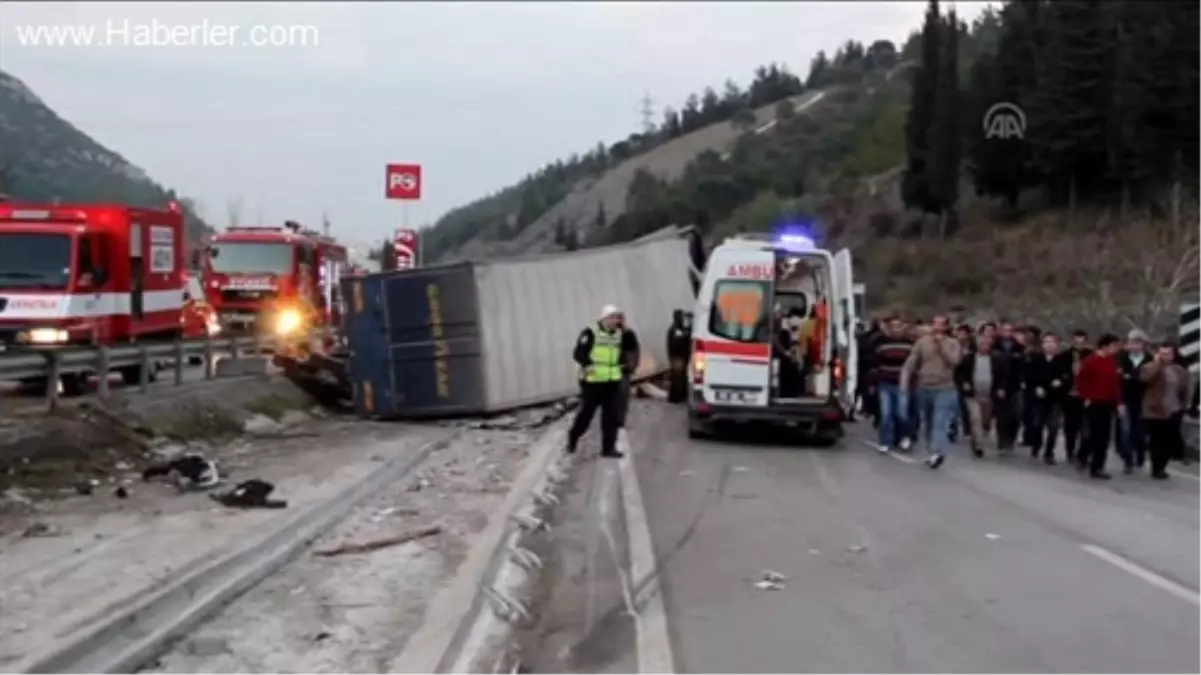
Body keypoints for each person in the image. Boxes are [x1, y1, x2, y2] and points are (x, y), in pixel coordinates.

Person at [900, 315, 962, 469]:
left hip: (945, 387)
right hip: (925, 387)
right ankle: (931, 451)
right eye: (935, 324)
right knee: (928, 421)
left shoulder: (953, 344)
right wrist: (905, 380)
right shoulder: (922, 343)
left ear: (946, 327)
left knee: (940, 422)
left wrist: (941, 346)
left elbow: (954, 361)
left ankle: (937, 452)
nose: (937, 327)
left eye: (941, 324)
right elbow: (911, 362)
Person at [566, 305, 626, 458]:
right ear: (604, 319)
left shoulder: (618, 334)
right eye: (612, 318)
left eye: (617, 317)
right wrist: (589, 365)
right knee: (586, 415)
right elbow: (578, 353)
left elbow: (621, 353)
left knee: (611, 417)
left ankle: (608, 448)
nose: (615, 321)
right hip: (592, 383)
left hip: (611, 382)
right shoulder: (591, 332)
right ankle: (573, 437)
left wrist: (624, 366)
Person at [1075, 333, 1124, 480]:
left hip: (1108, 402)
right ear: (1105, 346)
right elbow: (1080, 381)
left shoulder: (1112, 361)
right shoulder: (1091, 361)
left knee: (1104, 436)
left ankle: (1092, 462)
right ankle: (1094, 465)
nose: (1116, 349)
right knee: (1097, 434)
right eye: (1114, 346)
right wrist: (1086, 397)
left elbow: (1115, 384)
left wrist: (1119, 402)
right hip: (1093, 401)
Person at [1139, 343, 1190, 480]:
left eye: (1168, 353)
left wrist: (1185, 405)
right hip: (1155, 409)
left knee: (1169, 439)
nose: (1165, 356)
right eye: (1162, 353)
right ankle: (1156, 468)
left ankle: (1162, 465)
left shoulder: (1178, 369)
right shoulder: (1150, 367)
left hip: (1174, 409)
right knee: (1157, 439)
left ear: (1173, 355)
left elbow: (1184, 388)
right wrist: (1157, 364)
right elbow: (1145, 379)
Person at [1023, 332, 1073, 464]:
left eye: (1053, 342)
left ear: (1057, 345)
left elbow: (1068, 378)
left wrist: (1061, 381)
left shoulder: (1063, 360)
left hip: (1056, 399)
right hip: (1039, 398)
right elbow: (1028, 379)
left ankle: (1049, 452)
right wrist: (1036, 388)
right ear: (1043, 345)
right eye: (1047, 342)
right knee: (1038, 424)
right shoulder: (1036, 360)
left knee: (1053, 427)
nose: (1049, 345)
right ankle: (1036, 445)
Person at [871, 316, 914, 453]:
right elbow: (875, 364)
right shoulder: (881, 344)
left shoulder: (909, 345)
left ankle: (904, 438)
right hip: (885, 383)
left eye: (898, 326)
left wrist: (911, 381)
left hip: (902, 384)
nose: (896, 329)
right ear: (888, 328)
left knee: (901, 413)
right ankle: (885, 442)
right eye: (893, 326)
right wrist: (873, 382)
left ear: (903, 328)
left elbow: (913, 365)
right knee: (886, 414)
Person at [1117, 329, 1151, 473]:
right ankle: (1128, 459)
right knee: (1125, 431)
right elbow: (1117, 380)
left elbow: (1148, 380)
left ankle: (1140, 452)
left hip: (1143, 401)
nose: (1134, 346)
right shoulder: (1121, 358)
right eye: (1131, 343)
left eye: (1138, 343)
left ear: (1143, 344)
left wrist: (1130, 377)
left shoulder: (1150, 359)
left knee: (1139, 431)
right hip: (1125, 400)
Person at [1062, 330, 1093, 462]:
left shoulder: (1091, 356)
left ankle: (1083, 453)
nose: (1079, 343)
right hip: (1069, 395)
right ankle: (1070, 451)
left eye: (1082, 340)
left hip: (1085, 395)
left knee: (1085, 426)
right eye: (1077, 340)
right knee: (1070, 426)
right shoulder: (1065, 355)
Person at [614, 310, 641, 428]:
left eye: (620, 319)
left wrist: (632, 366)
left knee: (622, 396)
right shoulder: (610, 335)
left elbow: (635, 351)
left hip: (624, 370)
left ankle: (620, 420)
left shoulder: (629, 335)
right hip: (613, 370)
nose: (618, 322)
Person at [665, 309, 692, 403]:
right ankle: (675, 397)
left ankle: (679, 396)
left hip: (680, 357)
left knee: (681, 377)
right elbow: (676, 343)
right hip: (677, 357)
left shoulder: (677, 329)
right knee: (677, 378)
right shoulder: (675, 329)